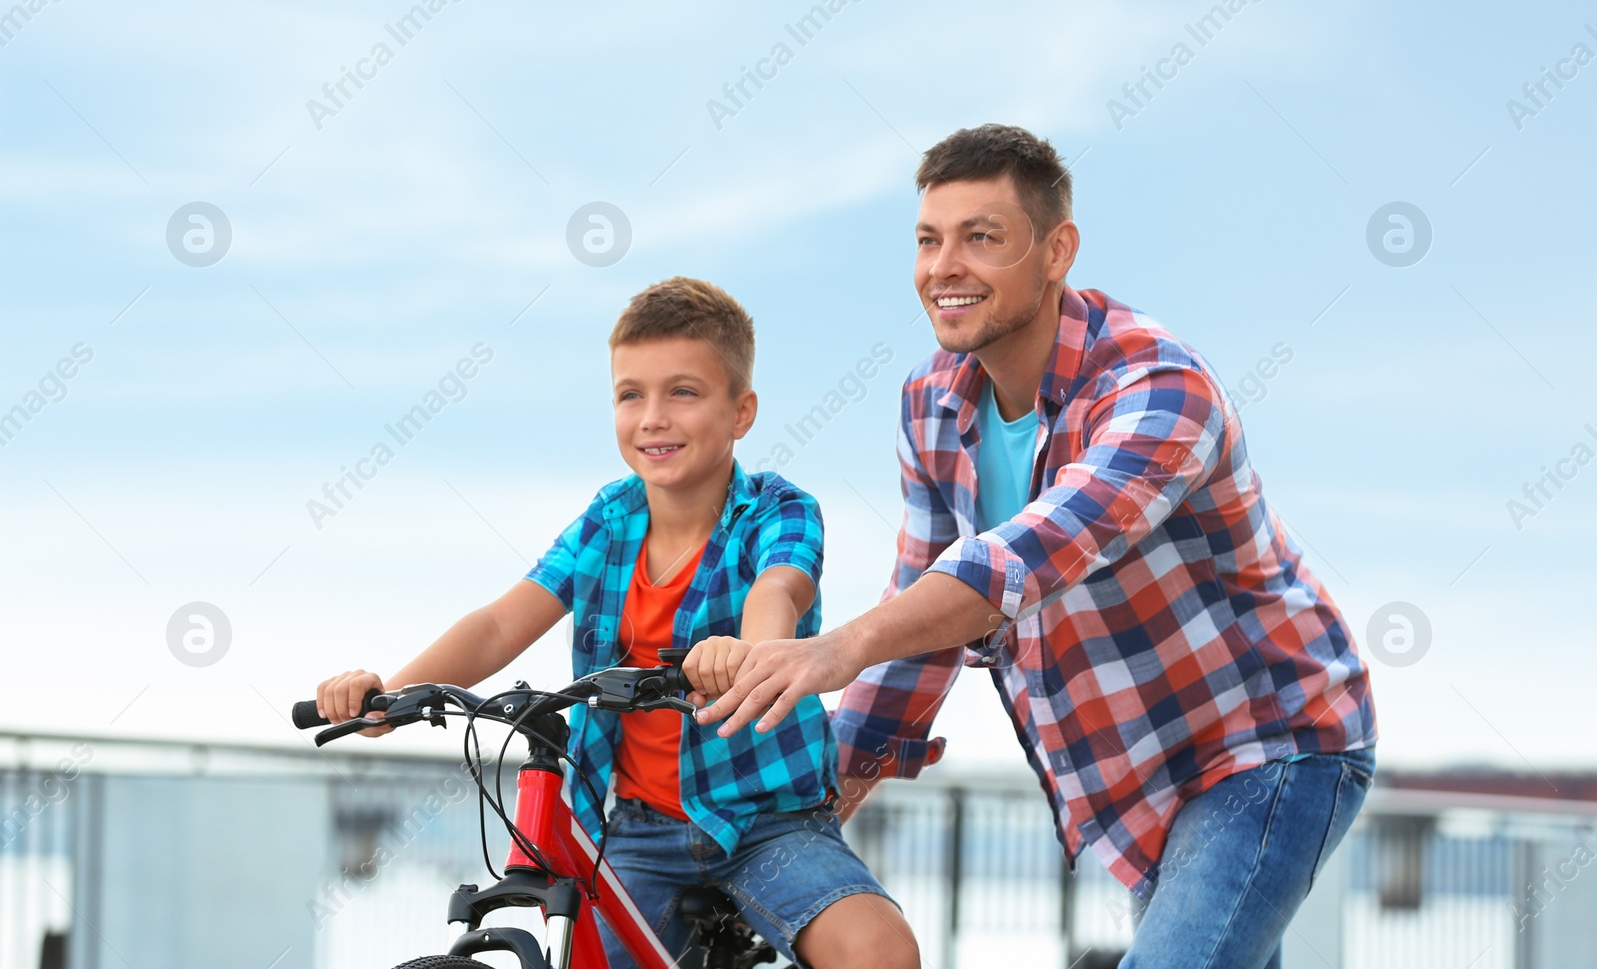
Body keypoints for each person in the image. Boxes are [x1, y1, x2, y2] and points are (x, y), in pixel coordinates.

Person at [697, 126, 1379, 968]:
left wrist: (833, 647)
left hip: (1271, 742)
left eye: (982, 237)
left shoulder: (1158, 388)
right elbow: (922, 616)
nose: (944, 266)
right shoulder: (932, 402)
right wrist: (802, 816)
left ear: (1057, 250)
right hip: (1142, 771)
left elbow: (1028, 556)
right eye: (928, 240)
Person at [315, 277, 917, 969]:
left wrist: (748, 653)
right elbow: (499, 623)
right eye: (631, 394)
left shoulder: (776, 510)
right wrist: (388, 694)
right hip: (636, 831)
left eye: (683, 392)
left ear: (740, 411)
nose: (653, 416)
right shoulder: (609, 519)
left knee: (880, 949)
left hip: (766, 823)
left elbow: (778, 591)